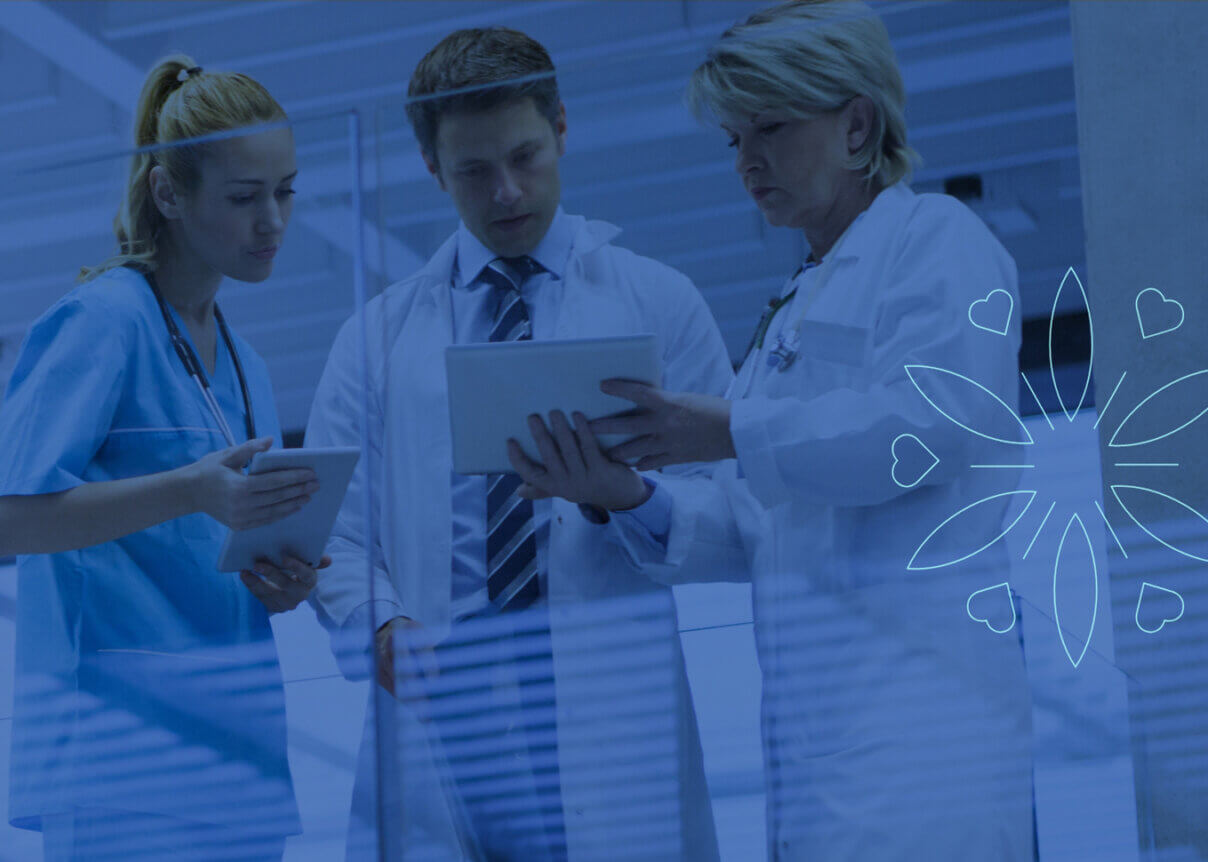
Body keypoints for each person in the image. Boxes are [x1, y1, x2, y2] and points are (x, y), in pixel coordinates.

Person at [571, 1, 1036, 857]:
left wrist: (735, 431)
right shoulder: (793, 306)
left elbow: (930, 427)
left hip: (924, 749)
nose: (747, 162)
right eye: (734, 140)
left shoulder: (938, 240)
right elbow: (763, 529)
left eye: (770, 130)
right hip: (819, 754)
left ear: (857, 123)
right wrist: (628, 493)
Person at [304, 28, 726, 860]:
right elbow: (335, 532)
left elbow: (735, 503)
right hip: (447, 704)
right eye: (473, 171)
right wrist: (382, 627)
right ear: (432, 169)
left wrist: (631, 501)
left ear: (563, 128)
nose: (506, 193)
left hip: (607, 702)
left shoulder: (658, 302)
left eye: (525, 156)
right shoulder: (375, 338)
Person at [0, 55, 320, 861]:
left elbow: (210, 558)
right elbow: (2, 524)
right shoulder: (103, 321)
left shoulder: (248, 366)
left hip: (236, 763)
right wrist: (190, 492)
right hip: (119, 762)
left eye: (285, 191)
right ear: (170, 194)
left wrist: (282, 583)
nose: (273, 220)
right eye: (244, 197)